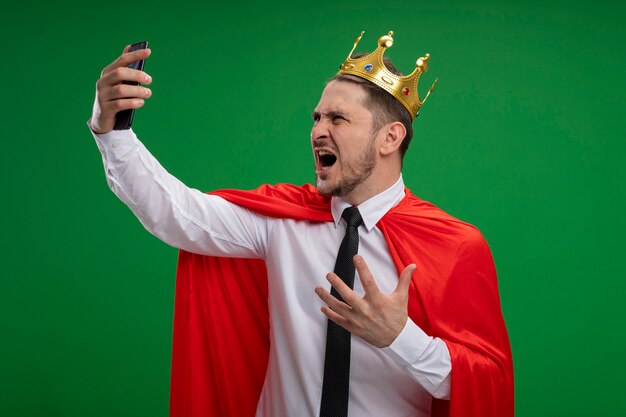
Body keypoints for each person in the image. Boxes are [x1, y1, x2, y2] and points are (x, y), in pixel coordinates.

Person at [88, 31, 513, 417]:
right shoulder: (281, 220)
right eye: (316, 118)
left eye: (338, 119)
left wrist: (399, 337)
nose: (317, 132)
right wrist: (113, 130)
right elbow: (177, 214)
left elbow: (482, 385)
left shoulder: (455, 245)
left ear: (390, 138)